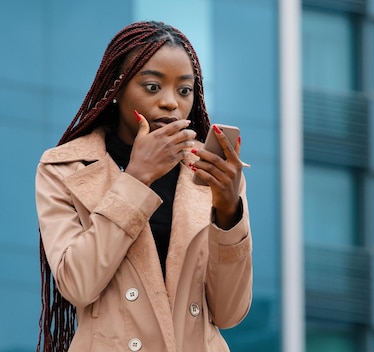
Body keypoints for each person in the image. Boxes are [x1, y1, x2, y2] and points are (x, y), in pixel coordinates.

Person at [35, 21, 252, 352]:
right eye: (152, 87)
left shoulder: (211, 174)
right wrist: (136, 179)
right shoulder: (65, 169)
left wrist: (227, 213)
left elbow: (229, 312)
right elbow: (77, 284)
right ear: (116, 90)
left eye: (184, 90)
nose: (171, 103)